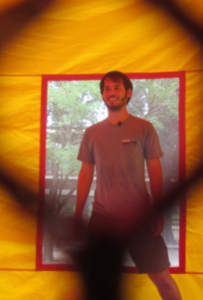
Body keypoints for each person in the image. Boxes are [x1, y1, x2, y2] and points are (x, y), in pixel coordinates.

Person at [74, 71, 182, 300]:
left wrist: (159, 211)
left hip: (140, 217)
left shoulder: (144, 128)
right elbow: (85, 174)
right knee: (95, 283)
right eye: (107, 88)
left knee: (162, 278)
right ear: (102, 95)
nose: (111, 92)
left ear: (128, 93)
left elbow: (155, 170)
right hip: (102, 218)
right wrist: (76, 215)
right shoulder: (92, 133)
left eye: (116, 88)